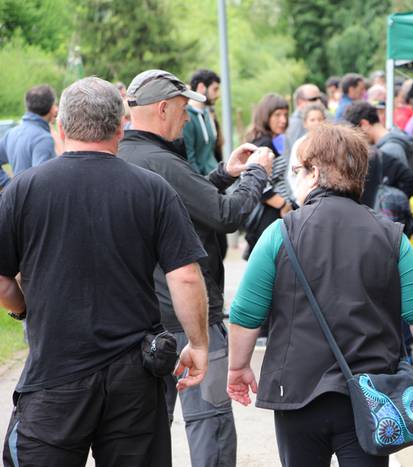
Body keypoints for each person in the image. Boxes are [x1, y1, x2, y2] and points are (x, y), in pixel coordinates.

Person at [0, 77, 210, 466]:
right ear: (121, 126)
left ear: (61, 127)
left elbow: (0, 280)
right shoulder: (153, 189)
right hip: (135, 378)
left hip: (54, 374)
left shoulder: (23, 190)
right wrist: (197, 344)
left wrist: (22, 308)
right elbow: (184, 275)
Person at [226, 123, 413, 467]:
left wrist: (238, 366)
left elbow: (246, 312)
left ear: (315, 173)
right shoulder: (392, 237)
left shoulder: (280, 233)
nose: (295, 179)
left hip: (297, 393)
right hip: (370, 393)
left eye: (298, 171)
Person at [118, 69, 273, 467]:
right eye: (184, 110)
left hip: (138, 321)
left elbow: (182, 200)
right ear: (163, 108)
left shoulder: (126, 154)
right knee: (211, 425)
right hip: (186, 319)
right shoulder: (161, 162)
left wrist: (223, 174)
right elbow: (226, 215)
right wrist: (257, 173)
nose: (188, 119)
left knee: (144, 430)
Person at [343, 101, 413, 205]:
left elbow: (398, 190)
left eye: (355, 132)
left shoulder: (391, 149)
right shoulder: (391, 142)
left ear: (364, 124)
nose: (356, 139)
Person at [244, 93, 292, 252]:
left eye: (285, 114)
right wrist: (284, 204)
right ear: (265, 116)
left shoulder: (270, 139)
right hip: (268, 216)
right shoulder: (263, 144)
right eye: (277, 115)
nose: (283, 120)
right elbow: (256, 182)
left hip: (272, 214)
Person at [0, 85, 58, 189]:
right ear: (51, 108)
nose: (57, 109)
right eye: (55, 104)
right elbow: (44, 183)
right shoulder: (43, 139)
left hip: (18, 201)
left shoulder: (12, 133)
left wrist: (9, 187)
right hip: (36, 204)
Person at [183, 69, 221, 176]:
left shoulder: (208, 114)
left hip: (216, 178)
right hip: (202, 183)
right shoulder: (187, 117)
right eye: (215, 89)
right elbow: (189, 158)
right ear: (201, 87)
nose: (218, 95)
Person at [287, 103, 326, 204]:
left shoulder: (331, 143)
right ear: (305, 123)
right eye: (312, 120)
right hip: (307, 195)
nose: (317, 123)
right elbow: (292, 173)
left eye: (320, 119)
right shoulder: (300, 144)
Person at [285, 83, 323, 157]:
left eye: (319, 98)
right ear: (300, 102)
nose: (319, 102)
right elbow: (298, 154)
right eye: (314, 99)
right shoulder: (296, 123)